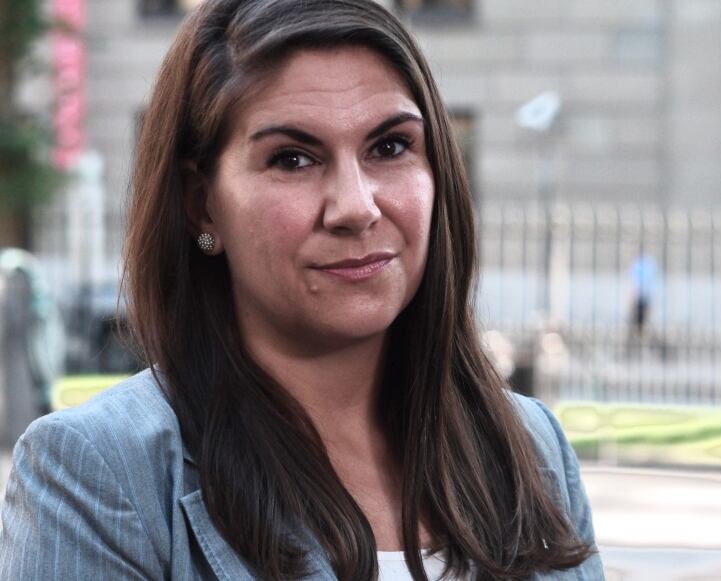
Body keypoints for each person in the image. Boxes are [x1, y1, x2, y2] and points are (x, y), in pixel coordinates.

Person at [0, 1, 604, 579]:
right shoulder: (99, 472)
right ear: (201, 204)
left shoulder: (529, 444)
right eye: (293, 159)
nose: (356, 207)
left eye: (390, 147)